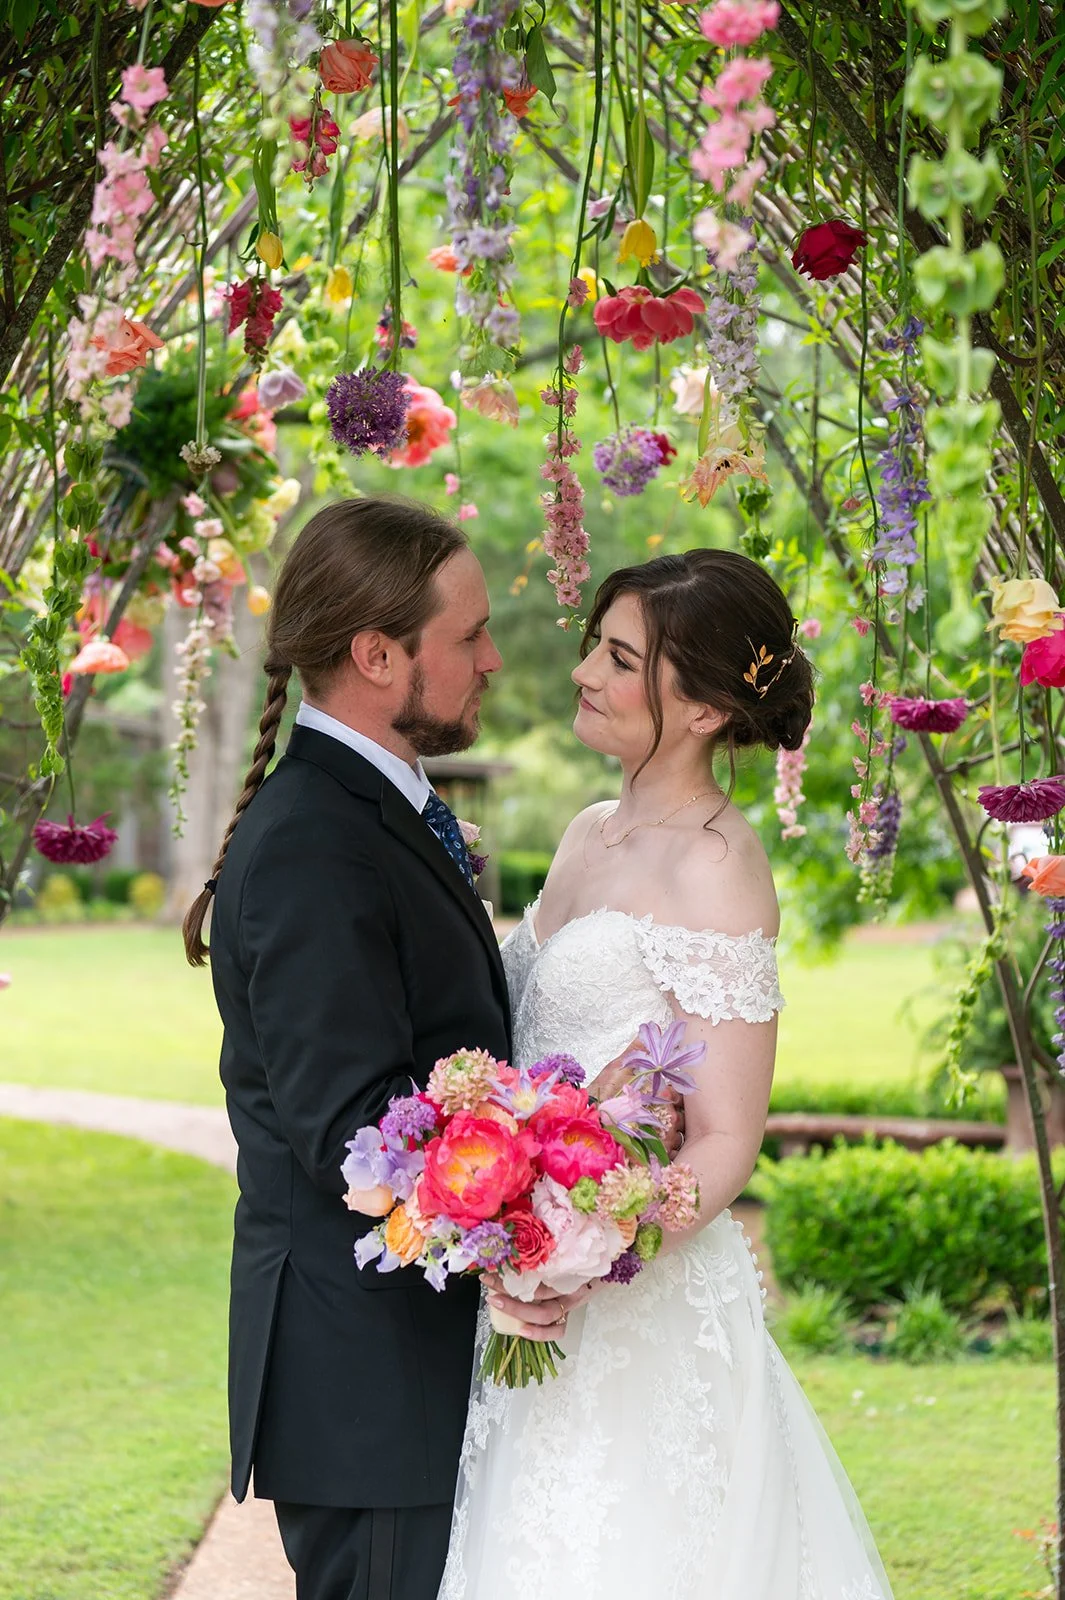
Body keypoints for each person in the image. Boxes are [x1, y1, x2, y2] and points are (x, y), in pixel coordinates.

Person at [439, 550, 895, 1600]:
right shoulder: (585, 833)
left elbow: (727, 1136)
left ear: (703, 709)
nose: (583, 672)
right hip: (530, 1292)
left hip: (636, 1313)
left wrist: (584, 1249)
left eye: (619, 658)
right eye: (595, 646)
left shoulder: (718, 866)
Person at [182, 497, 513, 1600]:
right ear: (377, 655)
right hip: (368, 1382)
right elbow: (357, 1134)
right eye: (469, 635)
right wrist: (533, 1227)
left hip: (401, 1368)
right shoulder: (315, 841)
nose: (491, 659)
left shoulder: (372, 809)